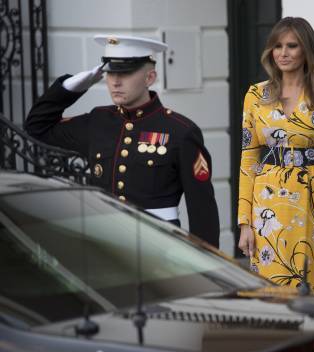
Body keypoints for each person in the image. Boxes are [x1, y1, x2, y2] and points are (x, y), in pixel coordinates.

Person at [25, 35, 220, 247]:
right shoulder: (98, 121)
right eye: (110, 73)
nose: (116, 82)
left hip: (159, 245)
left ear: (149, 77)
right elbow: (37, 126)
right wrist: (71, 87)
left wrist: (208, 269)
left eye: (125, 73)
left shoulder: (180, 131)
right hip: (105, 246)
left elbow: (202, 210)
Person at [237, 17, 314, 295]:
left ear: (306, 50)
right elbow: (248, 161)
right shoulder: (255, 95)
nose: (283, 53)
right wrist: (244, 223)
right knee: (271, 295)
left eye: (291, 46)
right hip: (267, 207)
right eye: (277, 46)